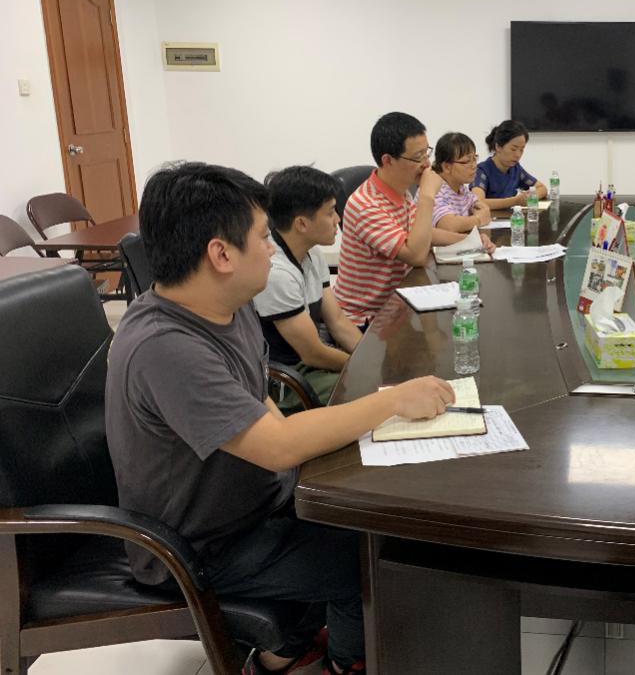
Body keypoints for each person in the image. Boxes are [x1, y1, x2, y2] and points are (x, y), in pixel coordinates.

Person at [106, 162, 455, 675]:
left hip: (252, 506)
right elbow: (276, 446)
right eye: (262, 237)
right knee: (367, 559)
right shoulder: (166, 347)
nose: (272, 249)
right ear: (221, 255)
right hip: (200, 545)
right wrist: (392, 401)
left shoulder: (229, 305)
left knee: (371, 511)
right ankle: (346, 663)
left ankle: (283, 653)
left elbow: (262, 410)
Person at [334, 112, 494, 327]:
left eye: (427, 153)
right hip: (369, 319)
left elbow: (423, 233)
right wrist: (427, 195)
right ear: (388, 160)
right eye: (418, 157)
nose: (427, 164)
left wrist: (470, 241)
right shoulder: (366, 204)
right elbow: (416, 255)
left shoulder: (400, 191)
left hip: (401, 303)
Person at [254, 166, 362, 411]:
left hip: (311, 365)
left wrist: (370, 359)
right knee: (367, 390)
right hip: (287, 380)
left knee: (378, 379)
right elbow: (312, 353)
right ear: (302, 223)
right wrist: (363, 367)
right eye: (331, 212)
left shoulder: (312, 252)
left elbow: (337, 321)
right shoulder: (277, 273)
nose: (338, 219)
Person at [471, 119, 547, 210]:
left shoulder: (515, 169)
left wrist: (530, 197)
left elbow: (542, 188)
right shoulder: (481, 171)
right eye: (513, 149)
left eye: (521, 150)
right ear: (498, 147)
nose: (518, 155)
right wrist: (515, 201)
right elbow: (478, 202)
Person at [431, 132, 492, 232]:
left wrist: (479, 212)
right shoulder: (434, 188)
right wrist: (478, 219)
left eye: (474, 159)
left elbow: (481, 207)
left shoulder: (461, 187)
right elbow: (448, 225)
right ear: (447, 166)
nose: (474, 166)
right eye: (467, 161)